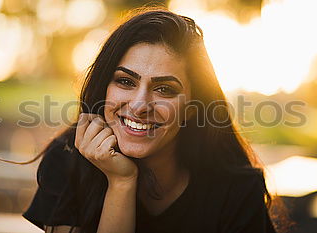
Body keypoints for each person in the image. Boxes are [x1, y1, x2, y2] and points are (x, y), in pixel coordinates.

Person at [22, 7, 279, 233]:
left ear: (192, 107)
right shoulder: (68, 159)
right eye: (125, 81)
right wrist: (121, 183)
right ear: (104, 90)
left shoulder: (236, 189)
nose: (139, 105)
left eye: (165, 89)